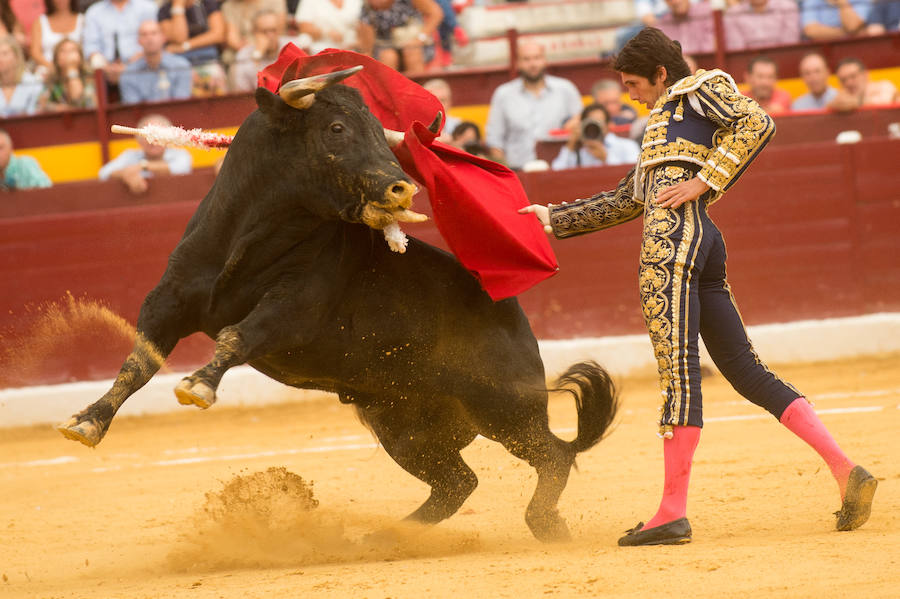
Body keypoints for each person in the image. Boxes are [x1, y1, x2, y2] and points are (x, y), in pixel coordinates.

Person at [519, 27, 877, 546]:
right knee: (745, 370)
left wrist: (706, 180)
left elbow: (757, 120)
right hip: (701, 240)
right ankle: (846, 473)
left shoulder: (698, 89)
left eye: (634, 82)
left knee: (677, 372)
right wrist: (551, 217)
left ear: (661, 73)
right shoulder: (661, 124)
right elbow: (628, 197)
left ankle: (670, 513)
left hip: (673, 245)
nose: (630, 93)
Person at [484, 40, 583, 170]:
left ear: (544, 60)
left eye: (537, 58)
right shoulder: (503, 94)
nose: (533, 64)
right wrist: (507, 174)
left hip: (560, 169)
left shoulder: (566, 90)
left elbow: (582, 127)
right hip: (518, 170)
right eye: (526, 59)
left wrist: (575, 124)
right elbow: (494, 141)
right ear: (517, 63)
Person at [98, 113, 192, 194]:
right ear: (138, 140)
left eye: (159, 137)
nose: (153, 142)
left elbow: (181, 168)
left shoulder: (180, 154)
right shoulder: (129, 156)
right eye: (147, 137)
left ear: (169, 140)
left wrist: (141, 166)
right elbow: (103, 173)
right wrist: (126, 175)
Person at [157, 0, 228, 96]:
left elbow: (218, 35)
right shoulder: (164, 10)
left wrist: (185, 46)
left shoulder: (207, 3)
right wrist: (178, 7)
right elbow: (179, 38)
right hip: (180, 66)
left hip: (208, 60)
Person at [357, 0, 443, 74]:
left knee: (411, 52)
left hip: (414, 42)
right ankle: (391, 90)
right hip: (385, 45)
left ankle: (418, 88)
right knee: (388, 56)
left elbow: (436, 13)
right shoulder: (367, 9)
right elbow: (367, 48)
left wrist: (421, 38)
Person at [119, 19, 192, 104]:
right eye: (144, 34)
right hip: (144, 117)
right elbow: (133, 110)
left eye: (154, 33)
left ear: (164, 38)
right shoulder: (129, 73)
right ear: (138, 41)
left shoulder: (181, 66)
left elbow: (182, 104)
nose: (149, 38)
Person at [551, 103, 640, 170]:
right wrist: (570, 145)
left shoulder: (627, 146)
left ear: (608, 125)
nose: (594, 128)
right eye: (591, 123)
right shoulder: (578, 149)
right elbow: (557, 172)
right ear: (583, 125)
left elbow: (634, 175)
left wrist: (606, 158)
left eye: (599, 123)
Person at [228, 8, 291, 91]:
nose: (270, 36)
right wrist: (257, 55)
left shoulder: (290, 48)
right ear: (254, 32)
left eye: (273, 30)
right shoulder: (244, 54)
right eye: (264, 31)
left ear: (279, 30)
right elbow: (243, 90)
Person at [220, 0, 285, 68]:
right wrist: (256, 51)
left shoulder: (275, 1)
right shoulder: (229, 6)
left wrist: (267, 46)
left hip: (275, 49)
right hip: (246, 52)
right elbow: (232, 39)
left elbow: (279, 30)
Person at [37, 37, 97, 110]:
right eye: (62, 51)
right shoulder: (52, 81)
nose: (68, 54)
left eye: (72, 50)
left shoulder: (89, 79)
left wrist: (72, 70)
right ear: (56, 59)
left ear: (80, 58)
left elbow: (82, 103)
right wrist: (57, 108)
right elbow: (41, 105)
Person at [29, 0, 84, 78]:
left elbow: (85, 49)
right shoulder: (40, 22)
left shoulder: (82, 20)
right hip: (48, 69)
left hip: (76, 68)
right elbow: (35, 52)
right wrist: (52, 67)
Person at [723, 0, 800, 50]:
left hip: (783, 61)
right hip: (747, 66)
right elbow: (737, 50)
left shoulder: (788, 7)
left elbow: (789, 46)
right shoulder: (732, 14)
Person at [831, 56, 899, 110]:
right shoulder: (840, 97)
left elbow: (883, 104)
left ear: (866, 75)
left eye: (853, 76)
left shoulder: (884, 86)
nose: (849, 83)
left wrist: (854, 104)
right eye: (843, 80)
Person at [294, 0, 362, 55]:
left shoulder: (357, 2)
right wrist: (326, 33)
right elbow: (304, 27)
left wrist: (355, 44)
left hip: (352, 51)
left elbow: (364, 27)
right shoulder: (310, 2)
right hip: (319, 51)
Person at [0, 34, 41, 116]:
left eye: (4, 54)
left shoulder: (32, 82)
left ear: (16, 57)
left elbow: (36, 112)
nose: (0, 58)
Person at [801, 0, 872, 40]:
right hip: (824, 49)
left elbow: (852, 26)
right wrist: (848, 34)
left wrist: (841, 2)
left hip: (855, 47)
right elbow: (811, 31)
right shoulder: (811, 1)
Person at [422, 77, 460, 142]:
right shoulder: (416, 128)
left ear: (450, 102)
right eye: (434, 100)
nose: (439, 105)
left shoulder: (458, 126)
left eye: (443, 100)